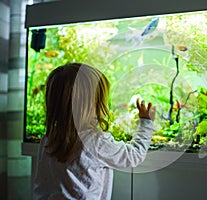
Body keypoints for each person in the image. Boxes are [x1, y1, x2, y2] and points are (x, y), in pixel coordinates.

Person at [33, 63, 156, 199]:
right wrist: (146, 123)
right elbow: (133, 155)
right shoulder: (96, 141)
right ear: (93, 104)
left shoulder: (48, 138)